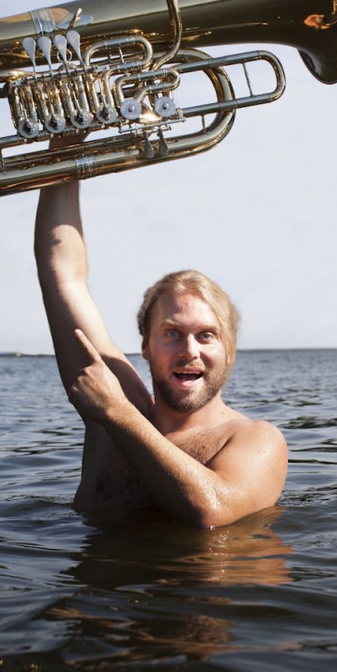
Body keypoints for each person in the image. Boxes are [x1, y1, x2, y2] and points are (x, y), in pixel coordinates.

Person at [34, 173, 288, 529]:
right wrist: (64, 150)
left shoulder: (255, 439)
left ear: (229, 350)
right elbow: (62, 274)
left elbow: (210, 511)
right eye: (171, 333)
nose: (189, 351)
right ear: (146, 346)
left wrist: (117, 414)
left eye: (206, 335)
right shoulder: (116, 404)